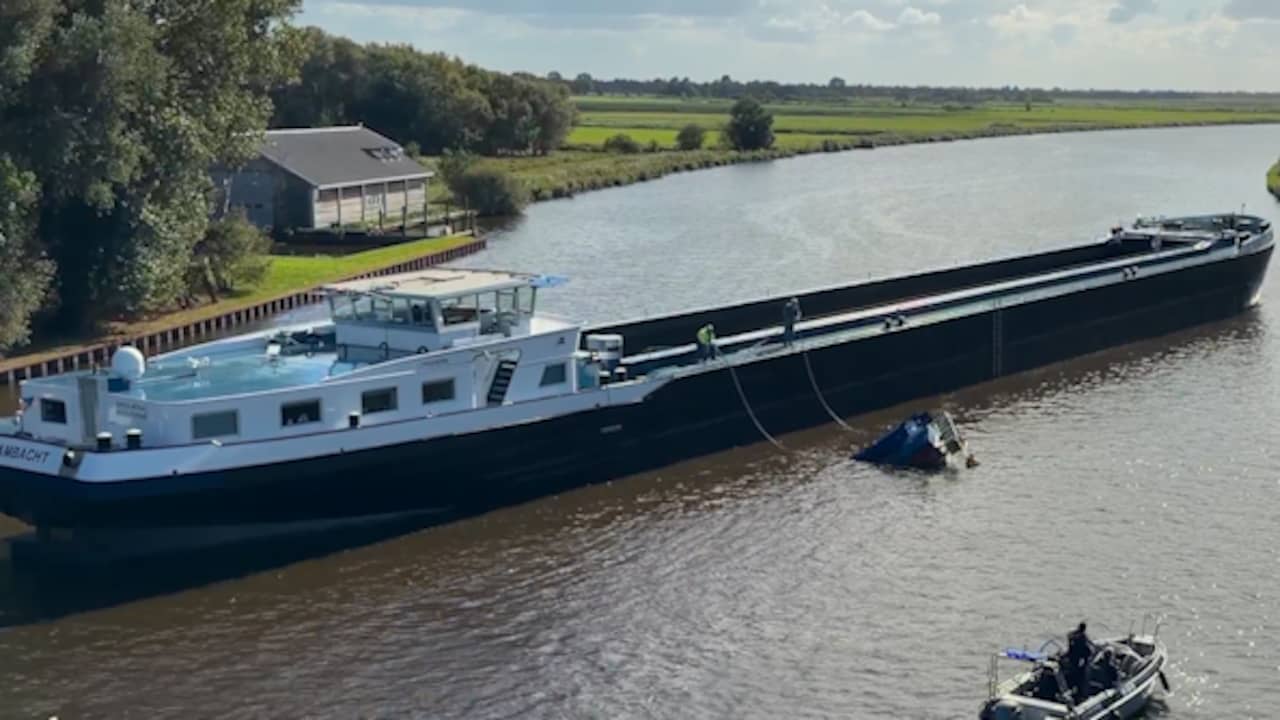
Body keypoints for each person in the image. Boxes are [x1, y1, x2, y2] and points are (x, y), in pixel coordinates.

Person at [1064, 622, 1093, 698]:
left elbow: (1069, 636)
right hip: (1077, 660)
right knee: (1080, 676)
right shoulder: (1082, 638)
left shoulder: (1073, 634)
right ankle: (1080, 693)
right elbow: (1087, 650)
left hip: (1072, 657)